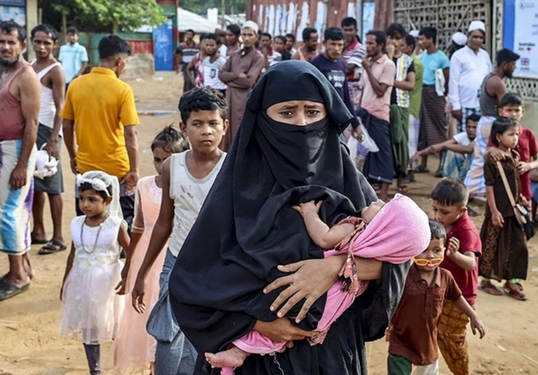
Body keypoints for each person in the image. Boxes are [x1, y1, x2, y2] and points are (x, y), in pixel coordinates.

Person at [168, 61, 411, 375]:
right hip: (255, 361)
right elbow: (190, 283)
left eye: (312, 112)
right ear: (263, 119)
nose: (301, 123)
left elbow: (398, 257)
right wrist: (258, 323)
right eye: (287, 113)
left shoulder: (347, 182)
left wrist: (334, 267)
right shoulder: (236, 189)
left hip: (331, 354)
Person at [204, 195, 431, 371]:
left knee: (278, 313)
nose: (378, 199)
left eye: (384, 206)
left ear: (386, 225)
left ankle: (240, 350)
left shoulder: (356, 227)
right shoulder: (384, 246)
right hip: (328, 312)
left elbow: (324, 238)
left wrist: (310, 213)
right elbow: (398, 263)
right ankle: (242, 351)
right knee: (290, 330)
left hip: (310, 302)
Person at [131, 87, 228, 374]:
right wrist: (143, 271)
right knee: (168, 334)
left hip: (218, 265)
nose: (206, 131)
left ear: (225, 125)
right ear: (184, 128)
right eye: (197, 124)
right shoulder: (172, 167)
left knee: (212, 335)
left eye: (213, 123)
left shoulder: (231, 169)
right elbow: (164, 222)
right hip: (177, 262)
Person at [106, 127, 189, 374]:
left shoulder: (185, 185)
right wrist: (130, 267)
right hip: (147, 258)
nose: (161, 165)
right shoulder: (143, 185)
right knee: (147, 312)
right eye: (156, 159)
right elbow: (138, 227)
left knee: (170, 313)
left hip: (175, 257)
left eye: (168, 159)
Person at [61, 34, 139, 232]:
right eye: (126, 63)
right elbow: (130, 133)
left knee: (87, 223)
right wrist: (134, 170)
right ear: (119, 61)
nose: (125, 67)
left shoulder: (76, 85)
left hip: (86, 167)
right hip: (117, 168)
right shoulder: (123, 89)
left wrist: (73, 156)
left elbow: (67, 126)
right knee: (121, 224)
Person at [386, 219, 485, 375]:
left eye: (437, 250)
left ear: (444, 250)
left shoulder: (445, 277)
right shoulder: (404, 274)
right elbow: (390, 298)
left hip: (428, 346)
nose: (430, 256)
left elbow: (457, 297)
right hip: (401, 342)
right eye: (424, 250)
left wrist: (473, 316)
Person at [59, 171, 129, 375]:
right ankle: (95, 368)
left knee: (112, 321)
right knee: (88, 324)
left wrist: (127, 277)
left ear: (107, 200)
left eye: (92, 199)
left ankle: (120, 360)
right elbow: (73, 254)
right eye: (82, 199)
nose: (85, 204)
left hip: (108, 282)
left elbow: (131, 251)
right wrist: (65, 283)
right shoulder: (76, 224)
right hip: (81, 279)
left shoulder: (115, 226)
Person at [0, 21, 40, 301]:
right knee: (15, 211)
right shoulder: (6, 72)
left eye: (11, 42)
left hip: (17, 151)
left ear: (22, 45)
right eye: (1, 42)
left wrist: (21, 165)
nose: (5, 47)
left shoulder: (26, 76)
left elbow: (32, 124)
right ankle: (23, 266)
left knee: (8, 213)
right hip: (6, 150)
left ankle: (18, 275)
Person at [431, 179, 482, 375]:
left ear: (461, 211)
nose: (437, 216)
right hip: (439, 290)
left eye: (444, 212)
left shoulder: (466, 230)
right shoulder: (442, 223)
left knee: (452, 342)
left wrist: (454, 255)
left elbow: (470, 263)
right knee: (429, 334)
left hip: (459, 297)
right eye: (435, 209)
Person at [480, 117, 529, 301]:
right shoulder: (493, 159)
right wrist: (493, 211)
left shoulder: (514, 156)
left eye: (517, 134)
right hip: (499, 212)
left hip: (513, 211)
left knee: (517, 246)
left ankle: (511, 280)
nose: (515, 138)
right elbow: (490, 187)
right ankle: (486, 280)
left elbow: (514, 183)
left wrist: (520, 198)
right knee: (492, 246)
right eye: (511, 134)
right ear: (499, 136)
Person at [29, 24, 67, 255]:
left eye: (47, 42)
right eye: (38, 42)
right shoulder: (31, 66)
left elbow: (61, 107)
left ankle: (59, 237)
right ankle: (39, 231)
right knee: (36, 184)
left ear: (54, 44)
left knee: (52, 186)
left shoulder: (56, 70)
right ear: (31, 42)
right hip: (32, 130)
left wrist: (53, 139)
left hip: (48, 131)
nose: (42, 46)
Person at [465, 49, 521, 198]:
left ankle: (472, 192)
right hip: (491, 123)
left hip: (485, 122)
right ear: (505, 64)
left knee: (481, 158)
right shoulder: (498, 83)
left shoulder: (490, 77)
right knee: (484, 159)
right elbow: (506, 109)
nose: (514, 67)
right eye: (513, 64)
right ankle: (466, 193)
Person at [357, 30, 396, 201]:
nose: (368, 46)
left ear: (380, 45)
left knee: (383, 153)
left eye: (371, 43)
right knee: (366, 154)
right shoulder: (369, 63)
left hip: (379, 114)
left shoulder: (388, 65)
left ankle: (385, 194)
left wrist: (367, 68)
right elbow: (363, 89)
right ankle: (368, 192)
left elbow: (380, 90)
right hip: (365, 113)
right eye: (367, 43)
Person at [486, 93, 538, 203]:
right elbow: (486, 155)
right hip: (502, 190)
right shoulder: (497, 133)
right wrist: (492, 150)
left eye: (517, 110)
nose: (513, 114)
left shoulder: (528, 134)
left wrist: (528, 165)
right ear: (500, 111)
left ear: (522, 112)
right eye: (509, 110)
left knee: (523, 218)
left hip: (524, 189)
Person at [219, 21, 265, 152]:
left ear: (256, 37)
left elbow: (249, 82)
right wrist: (237, 75)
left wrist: (230, 79)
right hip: (229, 97)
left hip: (244, 99)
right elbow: (221, 74)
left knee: (240, 129)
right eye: (244, 34)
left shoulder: (258, 57)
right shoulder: (234, 54)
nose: (246, 38)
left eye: (250, 34)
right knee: (226, 128)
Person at [385, 23, 415, 193]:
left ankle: (400, 179)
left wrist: (391, 82)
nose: (394, 42)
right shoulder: (383, 58)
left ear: (403, 40)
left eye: (397, 38)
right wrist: (388, 57)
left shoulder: (408, 61)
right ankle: (385, 180)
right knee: (386, 143)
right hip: (383, 105)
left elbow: (410, 84)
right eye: (392, 38)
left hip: (401, 106)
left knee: (401, 142)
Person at [416, 26, 450, 175]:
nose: (420, 42)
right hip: (422, 93)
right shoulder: (421, 57)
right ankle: (423, 163)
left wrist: (444, 95)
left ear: (431, 40)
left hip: (435, 94)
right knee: (423, 129)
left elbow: (447, 78)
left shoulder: (441, 57)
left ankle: (442, 165)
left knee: (438, 127)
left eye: (423, 39)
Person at [310, 27, 359, 129]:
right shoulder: (316, 64)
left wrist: (355, 124)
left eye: (340, 45)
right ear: (324, 43)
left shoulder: (341, 64)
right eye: (333, 44)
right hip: (321, 120)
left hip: (337, 120)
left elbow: (345, 95)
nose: (336, 49)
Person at [448, 21, 492, 133]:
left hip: (482, 105)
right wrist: (456, 105)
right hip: (464, 104)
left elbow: (490, 78)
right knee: (465, 136)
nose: (478, 40)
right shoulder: (458, 56)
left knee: (481, 136)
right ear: (468, 36)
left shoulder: (485, 55)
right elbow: (453, 81)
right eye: (475, 37)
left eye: (480, 37)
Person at [413, 114, 479, 181]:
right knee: (450, 151)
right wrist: (419, 153)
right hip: (464, 168)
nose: (471, 130)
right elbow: (437, 147)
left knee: (472, 152)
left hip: (476, 171)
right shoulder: (463, 135)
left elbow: (468, 149)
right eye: (469, 127)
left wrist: (445, 146)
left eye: (474, 127)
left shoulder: (481, 138)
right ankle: (451, 181)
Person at [404, 34, 424, 175]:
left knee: (410, 141)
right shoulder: (407, 61)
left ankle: (410, 170)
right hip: (406, 106)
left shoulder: (414, 64)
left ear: (410, 47)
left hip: (411, 106)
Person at [342, 17, 367, 110]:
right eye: (345, 30)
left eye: (351, 30)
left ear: (356, 31)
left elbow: (348, 69)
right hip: (340, 90)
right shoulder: (341, 46)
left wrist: (339, 51)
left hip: (353, 92)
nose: (348, 33)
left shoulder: (360, 48)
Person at [58, 26, 88, 91]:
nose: (71, 37)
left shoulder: (81, 49)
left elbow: (84, 64)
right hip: (64, 78)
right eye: (69, 35)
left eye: (73, 35)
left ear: (77, 37)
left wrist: (78, 74)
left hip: (76, 79)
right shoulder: (63, 48)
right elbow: (60, 62)